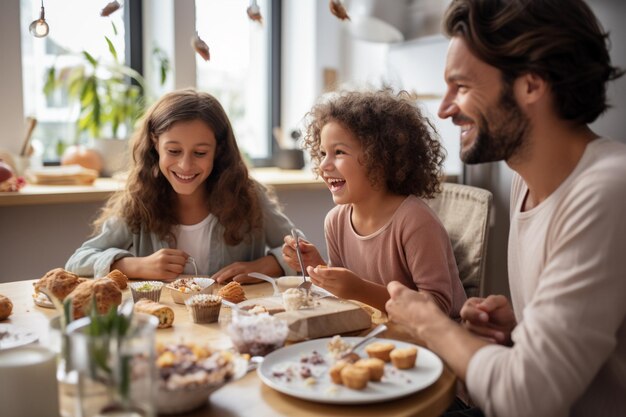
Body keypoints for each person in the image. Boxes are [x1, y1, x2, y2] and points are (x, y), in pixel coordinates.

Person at [385, 1, 626, 416]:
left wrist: (429, 323)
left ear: (531, 86)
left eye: (460, 87)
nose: (444, 109)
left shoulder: (608, 189)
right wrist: (522, 329)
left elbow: (526, 399)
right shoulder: (525, 182)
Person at [66, 89, 297, 282]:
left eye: (200, 152)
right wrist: (137, 266)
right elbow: (78, 261)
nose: (185, 165)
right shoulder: (141, 198)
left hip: (232, 328)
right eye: (173, 151)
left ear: (219, 150)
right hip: (164, 327)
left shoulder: (248, 194)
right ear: (155, 144)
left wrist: (264, 266)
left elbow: (301, 252)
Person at [282, 89, 466, 315]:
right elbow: (346, 295)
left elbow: (438, 306)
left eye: (339, 152)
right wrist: (318, 267)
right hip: (378, 334)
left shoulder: (415, 221)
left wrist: (360, 290)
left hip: (433, 343)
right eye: (322, 154)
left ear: (379, 159)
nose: (323, 166)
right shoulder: (336, 221)